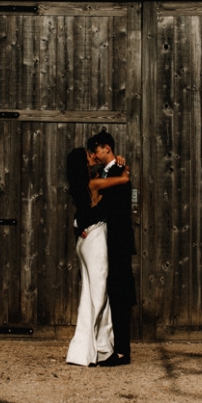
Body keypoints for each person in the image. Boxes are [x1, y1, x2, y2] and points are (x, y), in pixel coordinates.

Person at [64, 146, 130, 367]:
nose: (92, 156)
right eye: (88, 157)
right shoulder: (93, 183)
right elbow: (124, 179)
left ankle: (86, 349)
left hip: (85, 240)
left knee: (89, 297)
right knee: (99, 294)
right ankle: (102, 349)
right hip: (94, 239)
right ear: (82, 165)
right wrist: (122, 165)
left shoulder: (81, 185)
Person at [87, 130, 136, 366]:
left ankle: (122, 352)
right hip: (104, 240)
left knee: (119, 293)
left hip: (117, 240)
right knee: (106, 293)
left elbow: (112, 206)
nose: (94, 155)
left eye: (96, 150)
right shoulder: (106, 172)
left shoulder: (120, 171)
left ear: (107, 147)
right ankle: (107, 346)